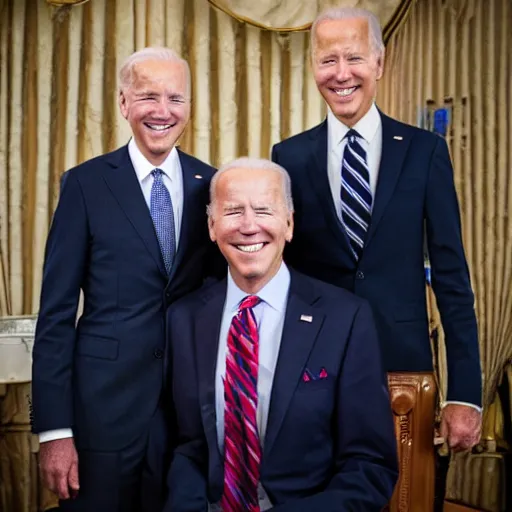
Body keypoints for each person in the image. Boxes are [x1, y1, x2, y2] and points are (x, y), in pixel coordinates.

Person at [271, 7, 482, 452]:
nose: (341, 74)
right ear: (313, 68)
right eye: (328, 60)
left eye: (355, 58)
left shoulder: (425, 152)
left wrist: (465, 393)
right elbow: (280, 274)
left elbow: (452, 277)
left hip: (404, 370)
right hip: (313, 370)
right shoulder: (287, 157)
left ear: (379, 64)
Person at [31, 47, 223, 512]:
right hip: (102, 416)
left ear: (190, 108)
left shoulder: (212, 186)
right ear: (122, 103)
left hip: (186, 417)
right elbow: (55, 314)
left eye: (175, 98)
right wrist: (56, 431)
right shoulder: (84, 185)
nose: (163, 111)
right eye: (147, 96)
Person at [165, 157, 398, 512]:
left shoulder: (345, 318)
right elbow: (189, 449)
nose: (248, 226)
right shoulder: (184, 319)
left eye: (263, 209)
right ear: (212, 226)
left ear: (289, 224)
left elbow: (370, 466)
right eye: (232, 211)